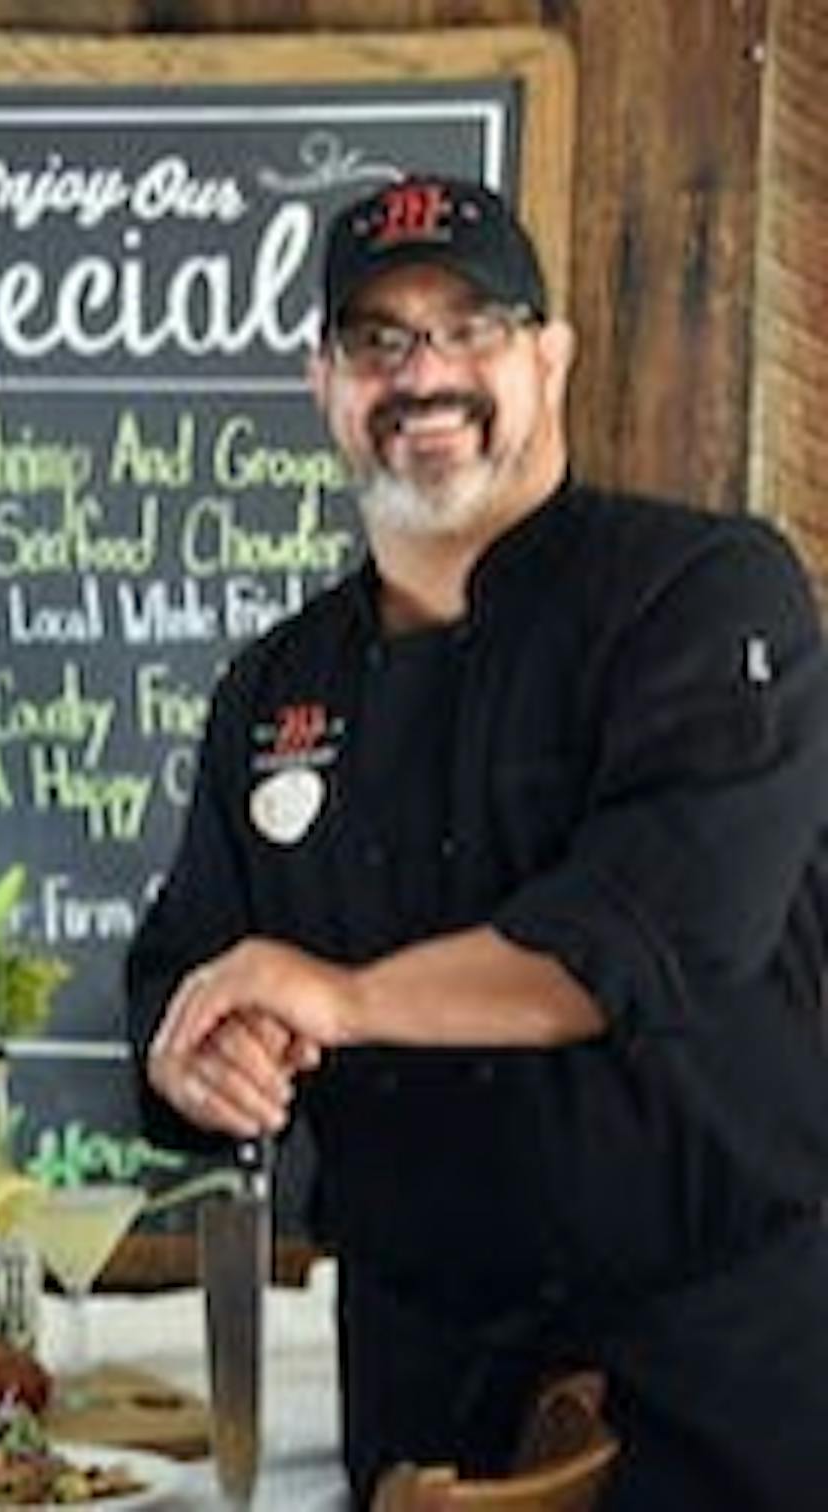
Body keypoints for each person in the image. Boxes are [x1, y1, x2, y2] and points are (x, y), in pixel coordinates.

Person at [124, 174, 828, 1511]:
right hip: (421, 1386)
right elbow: (183, 969)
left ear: (549, 356)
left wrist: (341, 996)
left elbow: (662, 931)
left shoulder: (705, 593)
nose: (424, 373)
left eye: (472, 325)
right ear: (323, 381)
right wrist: (200, 1049)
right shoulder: (274, 690)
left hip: (716, 1388)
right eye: (378, 340)